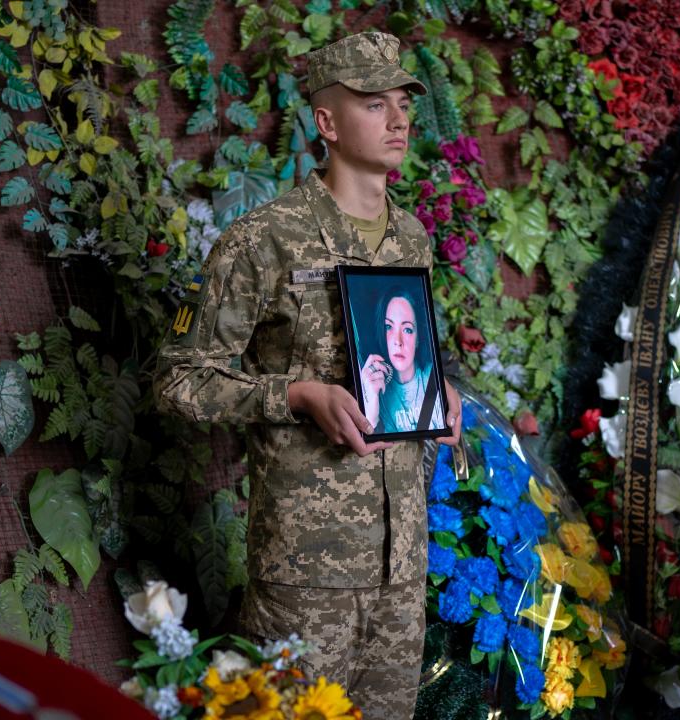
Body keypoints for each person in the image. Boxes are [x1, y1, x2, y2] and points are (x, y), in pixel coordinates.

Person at [154, 31, 462, 720]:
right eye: (374, 104)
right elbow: (178, 381)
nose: (400, 120)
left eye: (403, 105)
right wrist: (294, 394)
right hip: (306, 571)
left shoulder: (410, 238)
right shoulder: (264, 238)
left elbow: (406, 363)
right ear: (326, 123)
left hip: (401, 564)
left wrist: (440, 394)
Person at [361, 284, 445, 433]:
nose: (397, 341)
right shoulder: (375, 390)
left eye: (407, 329)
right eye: (389, 327)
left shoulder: (433, 377)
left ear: (418, 337)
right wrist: (371, 417)